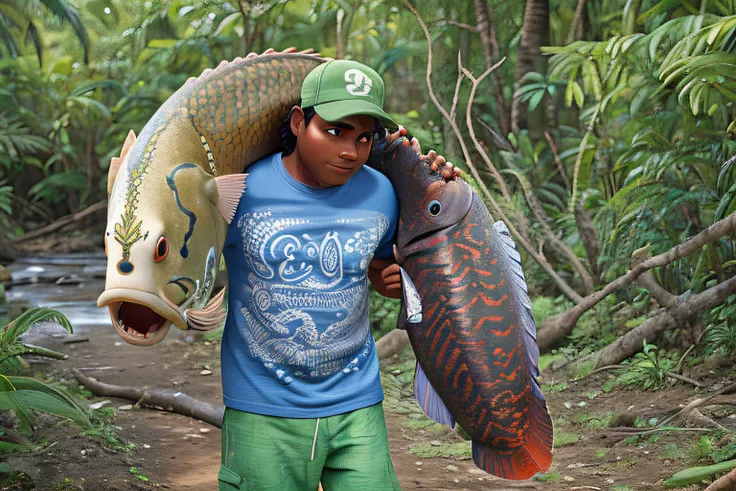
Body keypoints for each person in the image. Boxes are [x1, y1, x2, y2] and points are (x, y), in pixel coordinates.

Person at [217, 59, 456, 491]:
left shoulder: (380, 192)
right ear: (298, 122)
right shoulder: (240, 191)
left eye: (364, 137)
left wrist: (387, 275)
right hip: (263, 409)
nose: (351, 151)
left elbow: (382, 262)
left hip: (356, 405)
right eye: (335, 131)